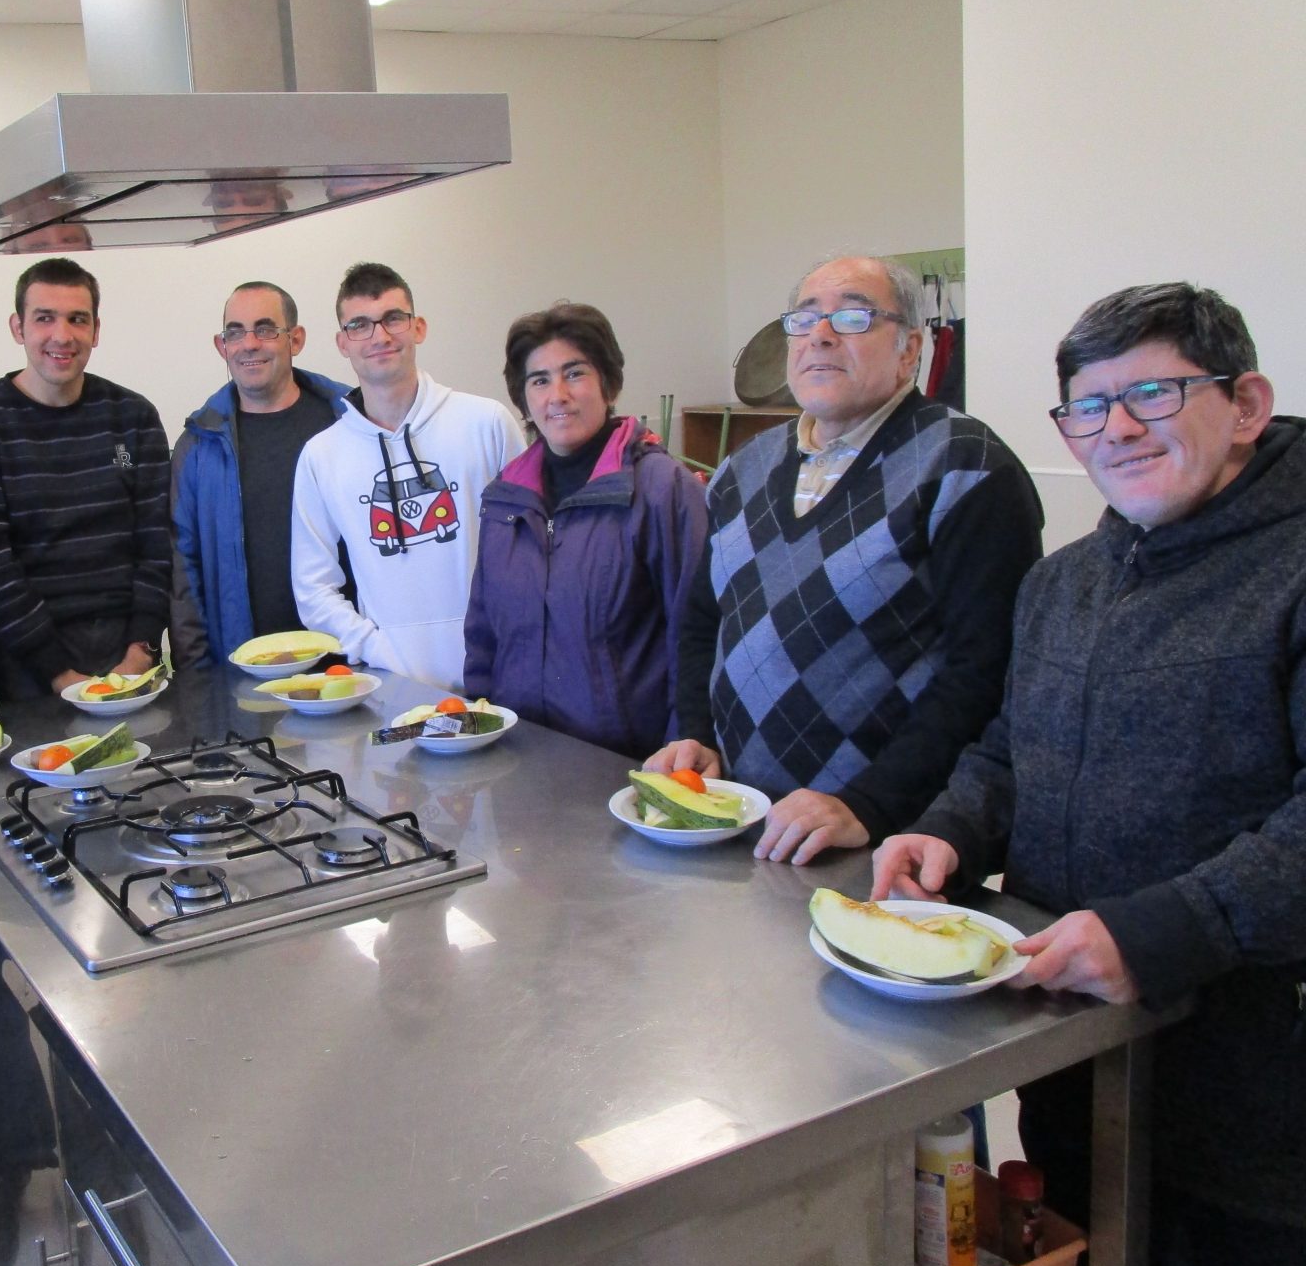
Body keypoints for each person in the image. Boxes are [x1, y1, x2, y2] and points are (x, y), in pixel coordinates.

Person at [873, 282, 1306, 1266]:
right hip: (1080, 1064)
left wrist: (1161, 930)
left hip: (1260, 1098)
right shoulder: (1063, 581)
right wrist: (946, 828)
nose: (1112, 429)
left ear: (1242, 403)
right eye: (1084, 407)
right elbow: (1008, 747)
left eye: (1149, 395)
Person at [648, 254, 1042, 863]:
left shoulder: (966, 467)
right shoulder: (741, 470)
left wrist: (869, 803)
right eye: (803, 321)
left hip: (879, 841)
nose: (820, 335)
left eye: (853, 316)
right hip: (741, 819)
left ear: (911, 350)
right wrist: (696, 732)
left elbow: (985, 673)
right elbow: (705, 620)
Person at [464, 303, 708, 758]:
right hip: (516, 755)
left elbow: (693, 631)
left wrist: (687, 740)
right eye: (539, 380)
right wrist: (476, 722)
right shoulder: (505, 496)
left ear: (608, 384)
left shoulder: (661, 488)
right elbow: (483, 629)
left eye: (574, 373)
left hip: (627, 764)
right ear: (524, 398)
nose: (557, 394)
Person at [0, 257, 173, 697]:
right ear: (18, 327)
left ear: (96, 330)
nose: (62, 336)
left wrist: (140, 651)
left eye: (77, 320)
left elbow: (156, 541)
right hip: (26, 664)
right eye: (44, 318)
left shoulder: (133, 416)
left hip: (131, 654)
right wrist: (57, 673)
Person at [290, 261, 523, 693]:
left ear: (418, 327)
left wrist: (513, 638)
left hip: (504, 671)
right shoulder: (321, 456)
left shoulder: (486, 423)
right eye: (359, 325)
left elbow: (534, 550)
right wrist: (374, 647)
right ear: (342, 343)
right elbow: (312, 588)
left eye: (393, 319)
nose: (379, 336)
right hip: (392, 683)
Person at [169, 282, 348, 668]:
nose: (249, 343)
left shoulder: (348, 423)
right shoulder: (199, 447)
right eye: (235, 332)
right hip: (247, 673)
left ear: (295, 339)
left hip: (352, 664)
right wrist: (197, 679)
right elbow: (184, 574)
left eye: (266, 329)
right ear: (222, 346)